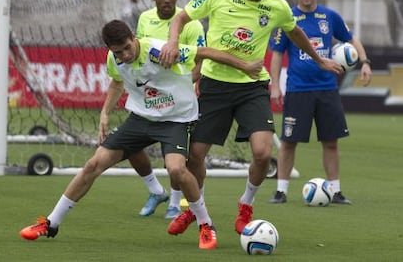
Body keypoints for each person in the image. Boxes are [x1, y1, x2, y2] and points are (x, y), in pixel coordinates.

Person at [19, 19, 263, 249]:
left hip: (175, 120)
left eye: (127, 48)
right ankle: (51, 223)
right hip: (140, 119)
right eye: (118, 52)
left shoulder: (159, 51)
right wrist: (105, 113)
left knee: (177, 169)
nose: (124, 55)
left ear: (133, 37)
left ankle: (206, 224)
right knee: (94, 163)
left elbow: (206, 53)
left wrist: (246, 66)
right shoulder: (114, 59)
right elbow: (116, 83)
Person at [159, 0, 343, 236]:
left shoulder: (277, 6)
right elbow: (181, 18)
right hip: (215, 85)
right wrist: (172, 42)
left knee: (262, 152)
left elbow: (294, 33)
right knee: (195, 156)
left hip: (252, 87)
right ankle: (195, 211)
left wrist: (319, 59)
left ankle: (246, 206)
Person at [268, 0, 372, 204]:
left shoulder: (330, 16)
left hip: (327, 89)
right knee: (288, 141)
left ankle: (335, 191)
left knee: (331, 141)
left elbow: (352, 40)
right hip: (297, 89)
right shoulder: (287, 18)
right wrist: (275, 85)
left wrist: (364, 61)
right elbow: (276, 54)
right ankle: (281, 191)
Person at [134, 0, 206, 219]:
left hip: (178, 102)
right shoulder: (144, 19)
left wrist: (183, 86)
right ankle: (155, 190)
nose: (166, 0)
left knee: (175, 159)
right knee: (129, 147)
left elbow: (199, 63)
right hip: (149, 97)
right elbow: (139, 55)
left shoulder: (192, 24)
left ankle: (175, 203)